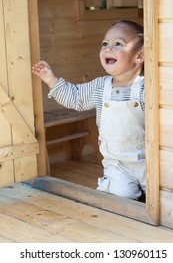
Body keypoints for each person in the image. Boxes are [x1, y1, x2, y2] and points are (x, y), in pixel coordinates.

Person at [32, 20, 145, 200]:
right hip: (116, 164)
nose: (108, 48)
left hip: (147, 162)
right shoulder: (101, 86)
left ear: (139, 56)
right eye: (105, 44)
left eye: (118, 44)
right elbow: (75, 97)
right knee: (119, 196)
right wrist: (51, 80)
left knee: (161, 199)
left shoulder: (144, 88)